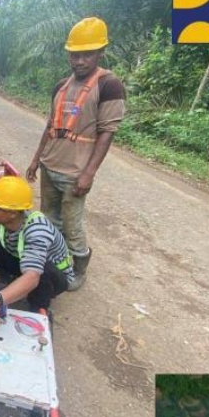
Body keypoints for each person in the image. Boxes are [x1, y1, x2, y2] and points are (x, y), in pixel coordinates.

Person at [26, 17, 126, 291]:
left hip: (75, 173)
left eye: (88, 54)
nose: (80, 61)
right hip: (51, 165)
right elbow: (50, 126)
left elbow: (107, 132)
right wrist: (36, 160)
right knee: (49, 219)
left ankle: (80, 266)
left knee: (72, 225)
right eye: (75, 55)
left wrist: (89, 173)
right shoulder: (60, 85)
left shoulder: (109, 85)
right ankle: (56, 261)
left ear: (101, 53)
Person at [0, 176, 74, 338]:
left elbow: (33, 277)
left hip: (54, 276)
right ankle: (10, 281)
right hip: (25, 264)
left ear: (12, 213)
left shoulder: (37, 229)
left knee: (42, 271)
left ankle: (38, 306)